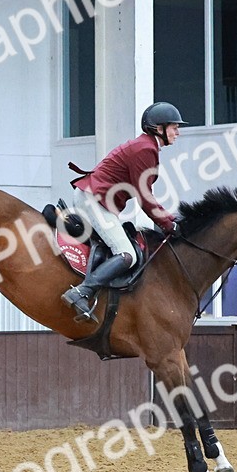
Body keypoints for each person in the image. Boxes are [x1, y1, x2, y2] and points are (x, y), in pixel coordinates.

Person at [61, 101, 187, 322]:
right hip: (94, 200)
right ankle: (81, 291)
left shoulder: (146, 146)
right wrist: (169, 224)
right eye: (174, 127)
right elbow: (144, 197)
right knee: (126, 254)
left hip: (94, 198)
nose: (178, 132)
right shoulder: (146, 149)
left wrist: (167, 219)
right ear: (159, 129)